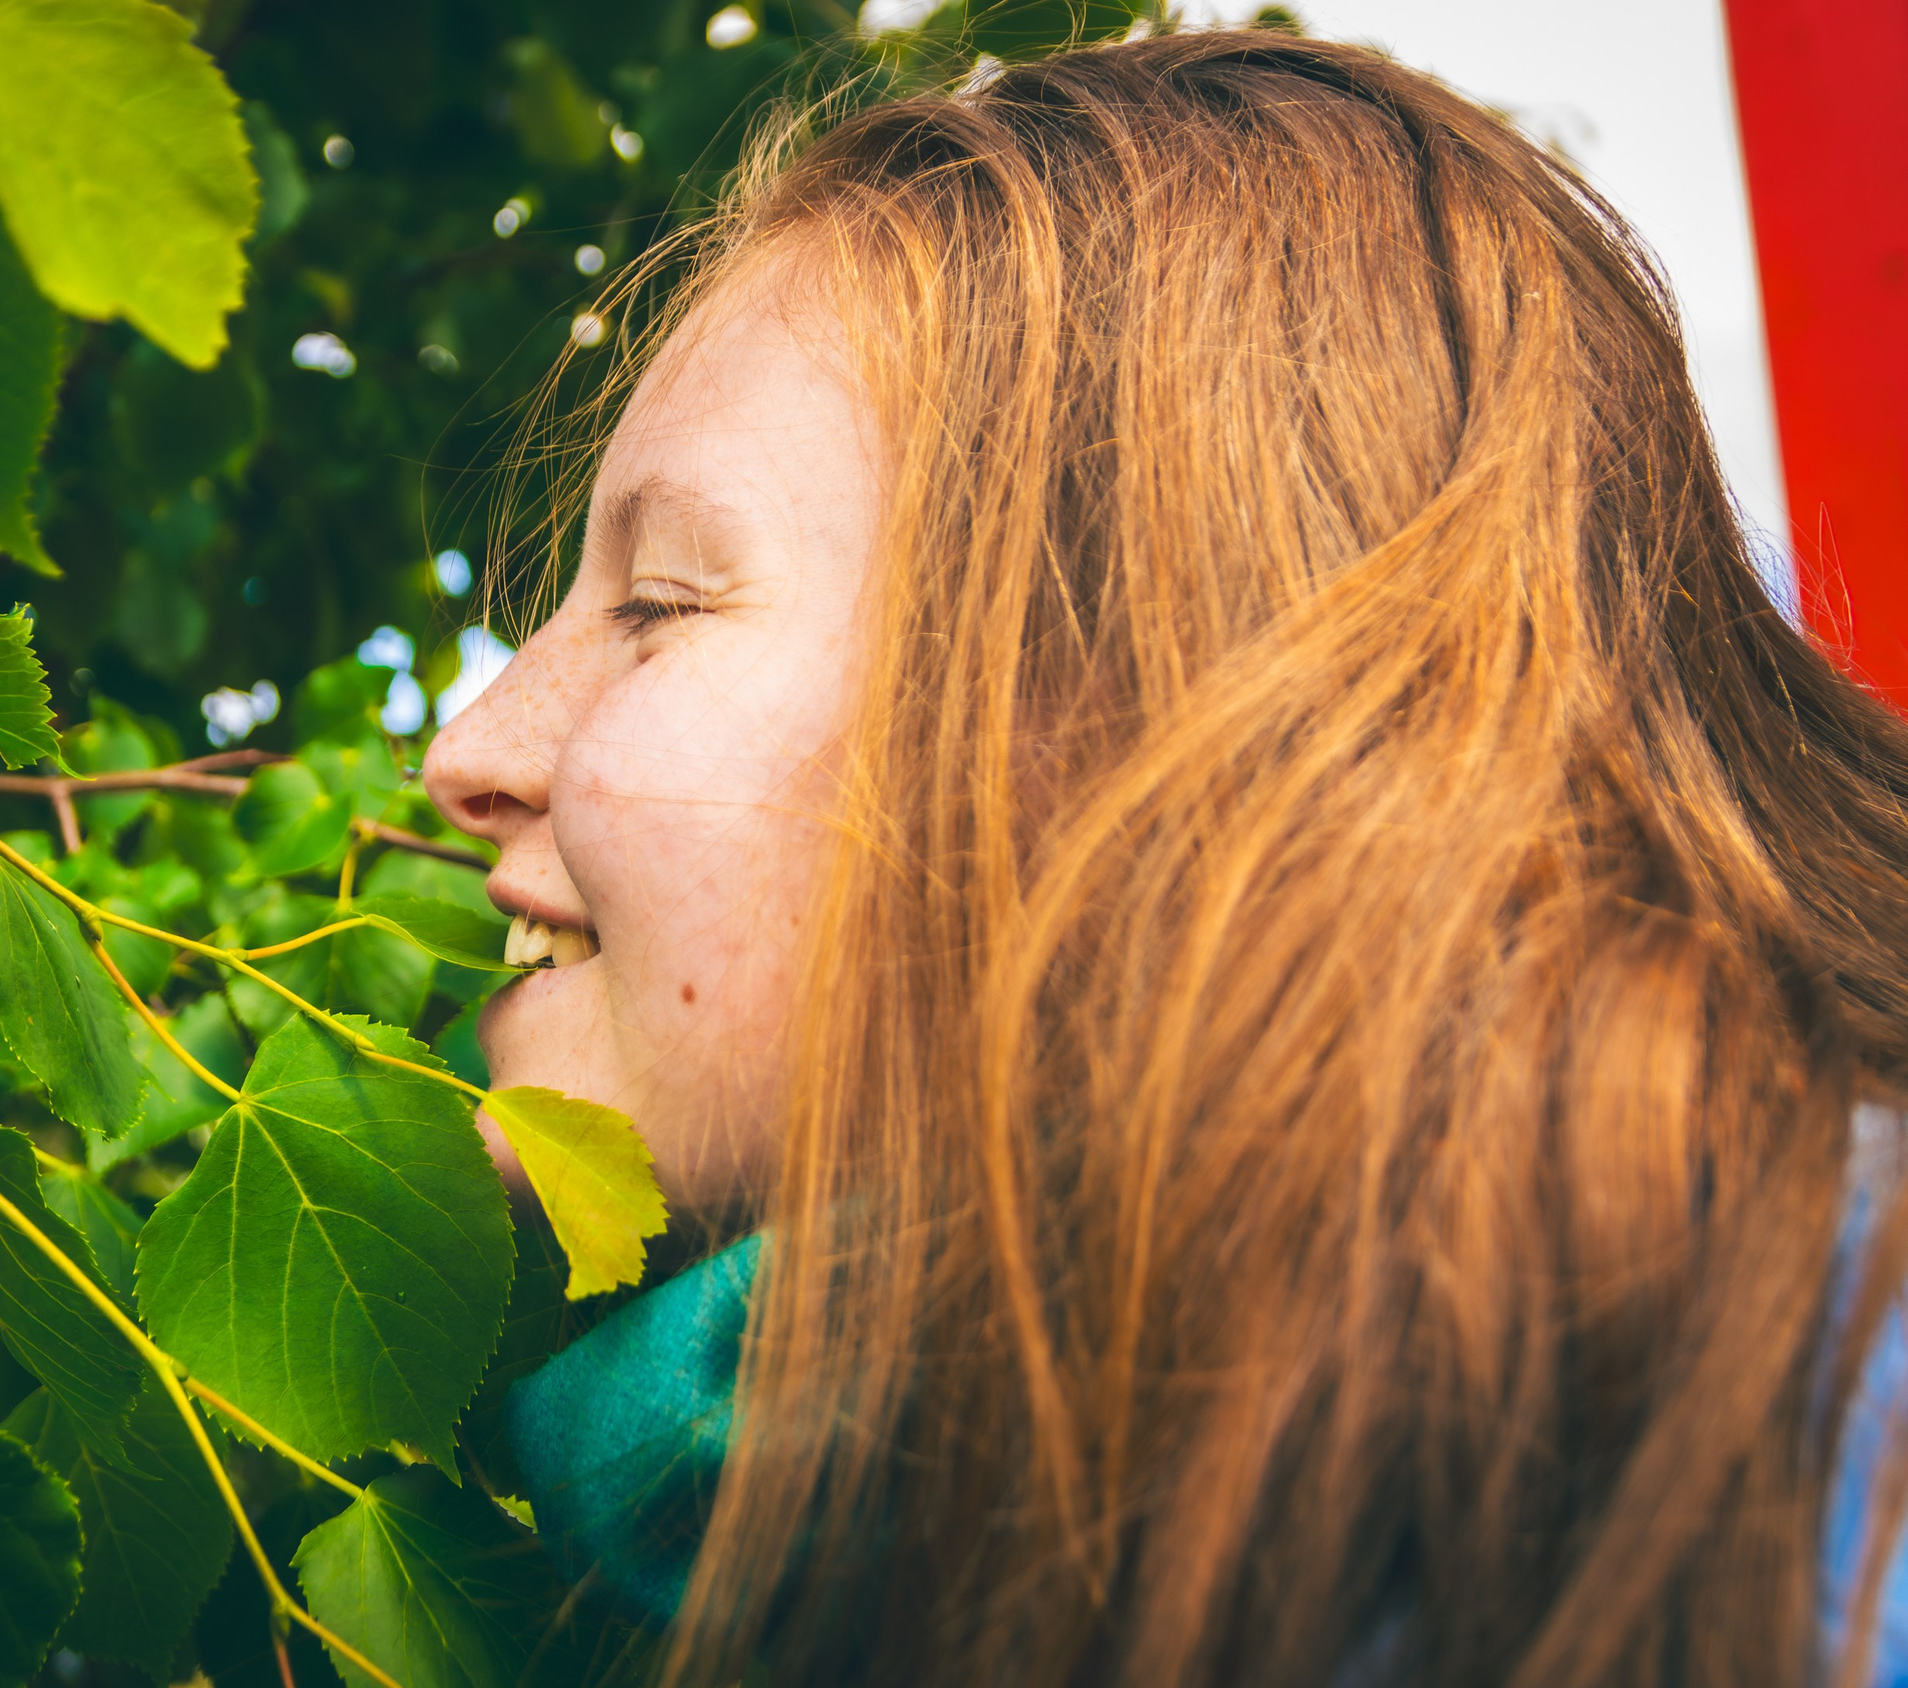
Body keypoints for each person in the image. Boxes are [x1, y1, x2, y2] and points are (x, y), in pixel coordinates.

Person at [422, 29, 1908, 1688]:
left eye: (661, 609)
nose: (467, 757)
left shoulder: (1818, 1428)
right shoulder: (844, 1523)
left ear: (1152, 712)